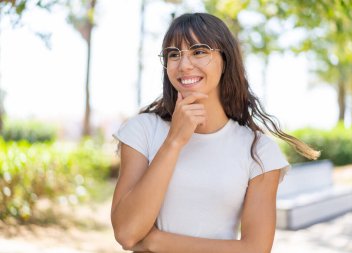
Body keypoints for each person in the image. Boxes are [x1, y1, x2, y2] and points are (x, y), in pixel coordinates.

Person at [111, 12, 319, 253]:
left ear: (225, 61)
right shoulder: (142, 131)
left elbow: (256, 249)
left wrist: (156, 242)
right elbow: (126, 233)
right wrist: (174, 142)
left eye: (199, 51)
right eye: (174, 54)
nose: (184, 64)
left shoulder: (259, 151)